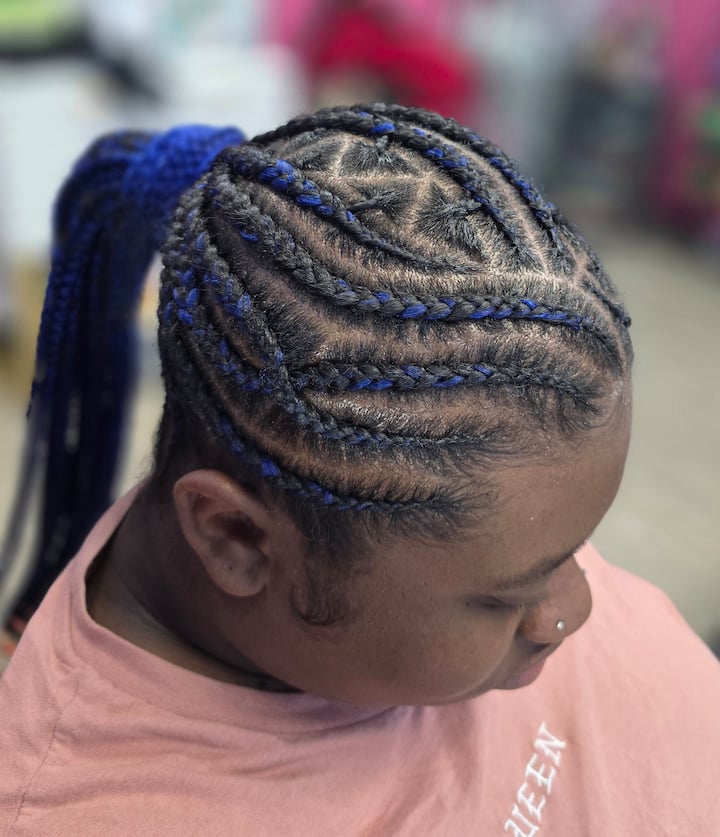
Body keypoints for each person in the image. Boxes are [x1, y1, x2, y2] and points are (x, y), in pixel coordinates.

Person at [0, 103, 718, 836]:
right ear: (235, 538)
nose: (577, 608)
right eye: (509, 597)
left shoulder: (466, 494)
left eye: (571, 551)